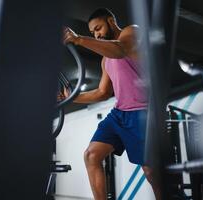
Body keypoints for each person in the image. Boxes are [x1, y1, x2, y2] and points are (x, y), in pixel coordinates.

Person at [62, 8, 161, 200]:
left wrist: (79, 39)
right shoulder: (105, 59)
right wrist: (71, 97)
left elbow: (120, 49)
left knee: (152, 173)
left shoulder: (131, 32)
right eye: (92, 33)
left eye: (98, 28)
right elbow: (102, 92)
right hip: (119, 114)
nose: (97, 35)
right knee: (91, 155)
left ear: (110, 21)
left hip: (143, 113)